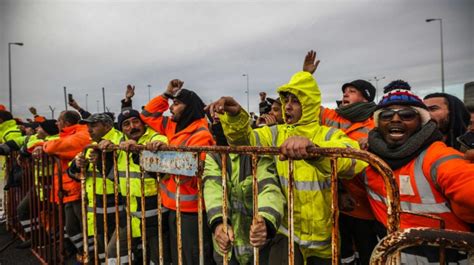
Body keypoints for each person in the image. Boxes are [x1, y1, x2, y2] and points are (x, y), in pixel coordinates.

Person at [206, 51, 366, 265]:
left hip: (323, 239)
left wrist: (315, 151)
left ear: (309, 105)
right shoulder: (275, 133)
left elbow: (354, 160)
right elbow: (243, 142)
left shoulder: (328, 135)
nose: (288, 106)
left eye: (296, 101)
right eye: (286, 100)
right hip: (285, 234)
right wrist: (236, 116)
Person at [365, 88, 474, 263]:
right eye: (386, 115)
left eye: (407, 115)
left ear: (421, 121)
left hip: (444, 259)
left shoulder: (437, 156)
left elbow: (465, 182)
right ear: (378, 123)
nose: (395, 119)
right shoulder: (368, 160)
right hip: (388, 256)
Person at [308, 50, 378, 265]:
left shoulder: (376, 122)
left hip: (369, 205)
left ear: (365, 97)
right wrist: (307, 76)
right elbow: (309, 106)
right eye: (345, 91)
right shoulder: (335, 117)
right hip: (338, 200)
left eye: (352, 91)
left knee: (369, 252)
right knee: (343, 251)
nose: (345, 94)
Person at [140, 79, 216, 265]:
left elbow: (190, 168)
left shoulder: (201, 133)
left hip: (193, 210)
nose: (170, 108)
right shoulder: (174, 125)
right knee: (179, 257)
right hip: (174, 206)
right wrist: (166, 94)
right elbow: (147, 115)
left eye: (176, 103)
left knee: (192, 257)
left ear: (189, 107)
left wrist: (162, 154)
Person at [105, 108, 170, 264]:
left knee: (159, 259)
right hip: (131, 216)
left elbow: (165, 168)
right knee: (114, 255)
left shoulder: (157, 138)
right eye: (126, 124)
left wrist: (139, 151)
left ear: (142, 123)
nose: (132, 126)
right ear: (121, 129)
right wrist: (105, 153)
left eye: (135, 121)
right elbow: (112, 175)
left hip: (157, 215)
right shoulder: (120, 145)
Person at [203, 146, 285, 264]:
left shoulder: (260, 151)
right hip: (227, 250)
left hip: (260, 247)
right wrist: (219, 223)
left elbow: (269, 188)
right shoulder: (214, 156)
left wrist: (266, 222)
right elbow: (213, 190)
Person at [66, 113, 124, 263]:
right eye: (88, 126)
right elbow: (71, 172)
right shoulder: (91, 144)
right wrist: (77, 165)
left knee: (115, 248)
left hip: (115, 203)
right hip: (95, 203)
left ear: (107, 126)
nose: (89, 129)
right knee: (101, 244)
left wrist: (103, 160)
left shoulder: (119, 140)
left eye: (93, 125)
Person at [42, 110, 91, 262]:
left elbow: (51, 147)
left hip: (77, 189)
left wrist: (44, 145)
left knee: (83, 228)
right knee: (71, 228)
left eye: (59, 120)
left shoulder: (81, 134)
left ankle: (89, 255)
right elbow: (53, 143)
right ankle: (84, 252)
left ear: (67, 123)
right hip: (68, 189)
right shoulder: (70, 134)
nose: (56, 123)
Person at [16, 119, 60, 249]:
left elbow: (49, 144)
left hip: (55, 185)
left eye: (40, 127)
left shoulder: (55, 140)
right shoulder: (39, 141)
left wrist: (37, 147)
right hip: (40, 185)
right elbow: (29, 144)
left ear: (47, 130)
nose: (37, 129)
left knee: (60, 215)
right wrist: (27, 151)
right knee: (23, 209)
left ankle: (60, 245)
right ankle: (38, 238)